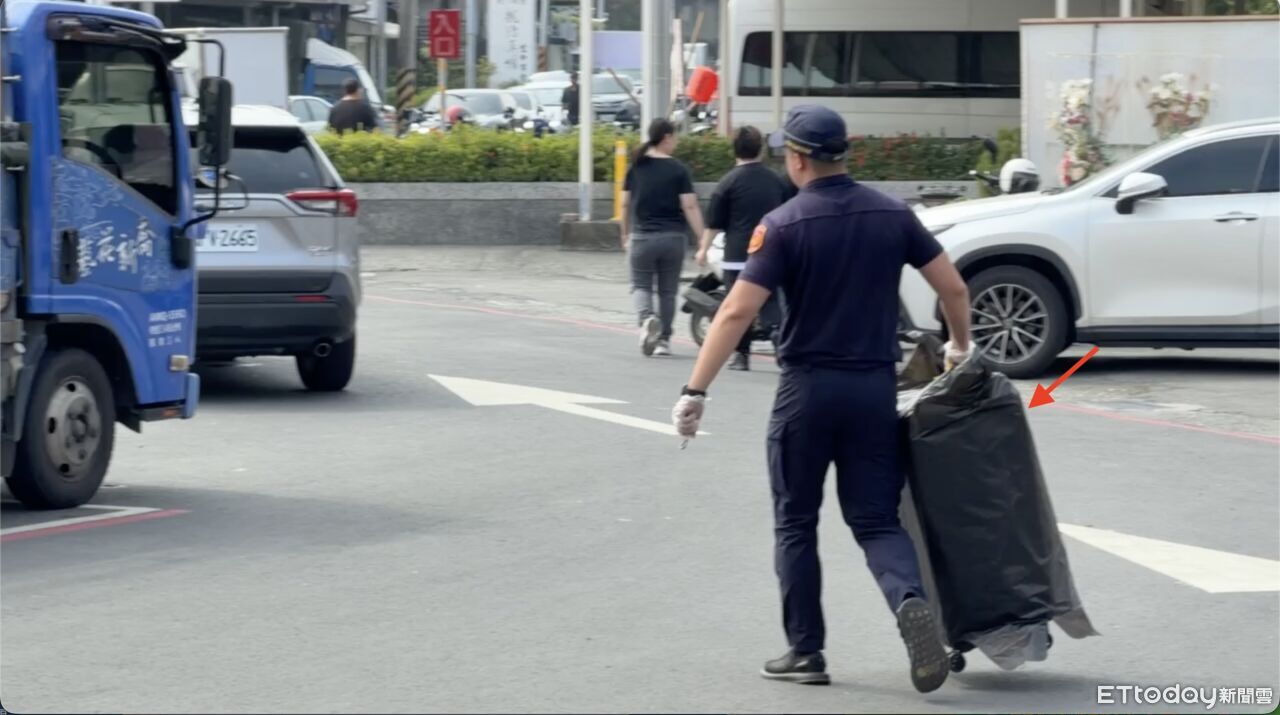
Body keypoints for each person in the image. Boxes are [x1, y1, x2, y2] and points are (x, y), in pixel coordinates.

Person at [671, 105, 973, 693]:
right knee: (876, 519)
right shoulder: (892, 214)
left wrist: (694, 390)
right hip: (873, 390)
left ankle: (806, 652)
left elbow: (735, 312)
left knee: (796, 522)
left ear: (799, 159)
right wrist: (959, 348)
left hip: (807, 392)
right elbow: (954, 288)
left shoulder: (783, 224)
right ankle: (909, 602)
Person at [698, 126, 791, 372]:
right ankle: (777, 337)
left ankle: (741, 355)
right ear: (761, 149)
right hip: (770, 251)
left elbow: (714, 223)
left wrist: (703, 249)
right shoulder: (776, 181)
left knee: (738, 305)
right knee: (770, 300)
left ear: (734, 150)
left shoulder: (728, 182)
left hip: (737, 255)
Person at [620, 118, 707, 357]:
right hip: (673, 238)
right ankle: (663, 341)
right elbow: (690, 206)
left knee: (640, 285)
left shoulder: (636, 167)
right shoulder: (679, 169)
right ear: (667, 137)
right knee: (667, 292)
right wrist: (702, 237)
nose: (676, 143)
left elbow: (625, 204)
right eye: (675, 138)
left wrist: (624, 233)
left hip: (642, 238)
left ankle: (647, 318)